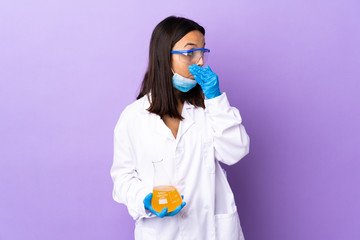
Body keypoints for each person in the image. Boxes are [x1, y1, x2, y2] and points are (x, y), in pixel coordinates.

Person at [110, 15, 250, 240]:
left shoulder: (209, 109)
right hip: (161, 232)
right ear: (164, 57)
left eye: (202, 52)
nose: (200, 62)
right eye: (190, 53)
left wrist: (215, 98)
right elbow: (123, 177)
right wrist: (144, 200)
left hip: (211, 231)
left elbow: (235, 152)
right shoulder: (133, 117)